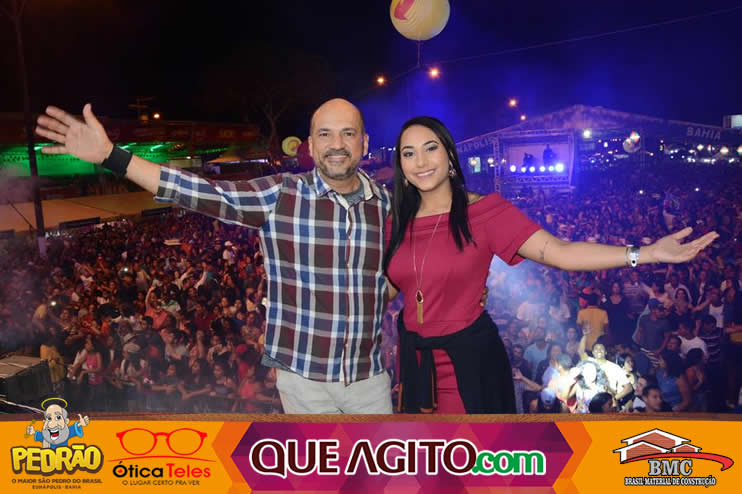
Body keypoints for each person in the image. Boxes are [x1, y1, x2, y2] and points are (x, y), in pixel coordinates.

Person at [35, 99, 394, 414]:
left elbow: (395, 276)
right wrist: (112, 156)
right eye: (326, 134)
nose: (337, 144)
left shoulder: (387, 204)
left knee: (382, 468)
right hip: (305, 382)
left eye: (348, 133)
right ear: (311, 146)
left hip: (368, 377)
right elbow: (201, 191)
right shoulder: (283, 195)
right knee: (319, 470)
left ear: (364, 143)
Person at [383, 116, 718, 414]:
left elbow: (562, 252)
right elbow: (385, 290)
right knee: (424, 456)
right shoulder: (394, 222)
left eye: (430, 148)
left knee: (466, 456)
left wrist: (647, 253)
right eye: (409, 153)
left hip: (467, 364)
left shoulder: (484, 213)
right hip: (415, 364)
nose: (420, 161)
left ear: (450, 156)